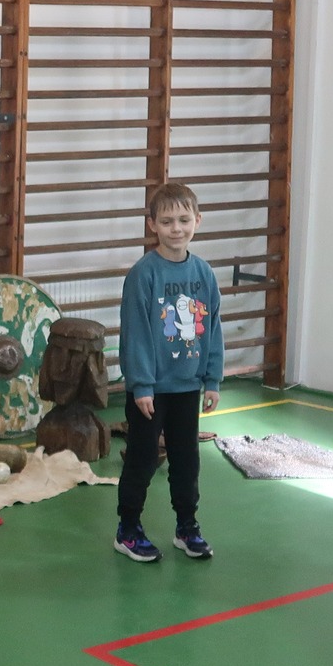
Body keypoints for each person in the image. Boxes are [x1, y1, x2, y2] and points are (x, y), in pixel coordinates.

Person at [114, 182, 223, 564]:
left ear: (197, 221)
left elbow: (212, 328)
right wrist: (142, 385)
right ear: (152, 225)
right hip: (150, 390)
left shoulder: (204, 273)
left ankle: (186, 527)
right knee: (142, 459)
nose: (176, 228)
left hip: (187, 387)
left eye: (183, 220)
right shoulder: (143, 274)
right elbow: (136, 334)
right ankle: (128, 529)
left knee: (186, 461)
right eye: (166, 221)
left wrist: (212, 378)